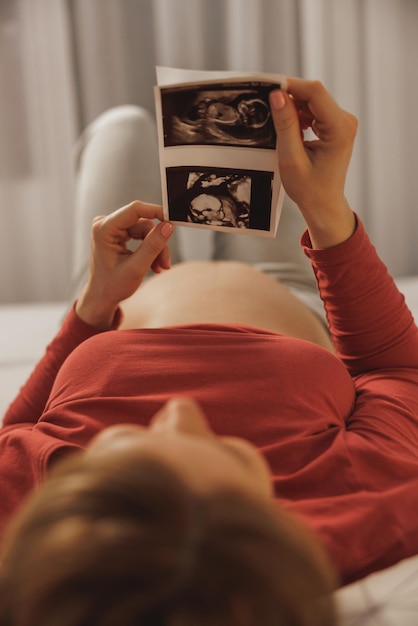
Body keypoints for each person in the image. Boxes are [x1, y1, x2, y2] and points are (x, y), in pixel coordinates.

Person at [0, 77, 417, 626]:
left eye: (134, 440)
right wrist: (327, 212)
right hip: (287, 290)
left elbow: (18, 432)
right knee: (271, 131)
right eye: (233, 452)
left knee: (121, 129)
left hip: (122, 292)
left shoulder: (41, 533)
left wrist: (92, 306)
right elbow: (398, 370)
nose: (178, 411)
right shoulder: (367, 511)